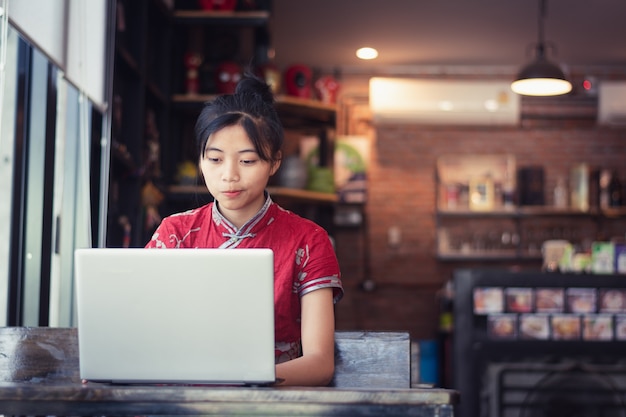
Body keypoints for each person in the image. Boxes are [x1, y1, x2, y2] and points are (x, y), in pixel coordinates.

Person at [145, 73, 343, 386]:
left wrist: (238, 381)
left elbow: (319, 364)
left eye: (247, 161)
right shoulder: (175, 233)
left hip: (268, 403)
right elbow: (144, 332)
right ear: (200, 160)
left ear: (274, 162)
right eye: (214, 159)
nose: (229, 175)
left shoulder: (309, 240)